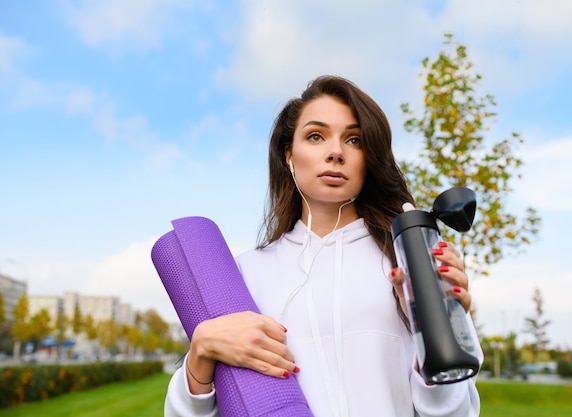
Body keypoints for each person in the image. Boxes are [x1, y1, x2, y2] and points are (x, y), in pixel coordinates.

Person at [164, 75, 482, 416]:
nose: (335, 152)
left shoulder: (409, 261)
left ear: (369, 158)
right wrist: (200, 355)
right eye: (316, 136)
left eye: (355, 140)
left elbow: (456, 411)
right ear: (289, 154)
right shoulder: (243, 273)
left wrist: (434, 331)